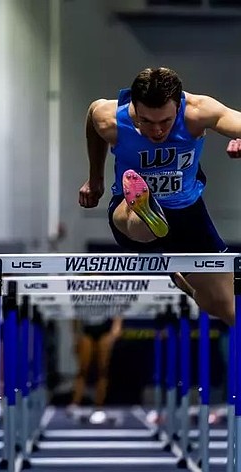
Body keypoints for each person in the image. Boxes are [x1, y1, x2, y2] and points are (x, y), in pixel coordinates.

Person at [80, 66, 239, 325]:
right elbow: (92, 117)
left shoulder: (198, 111)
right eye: (146, 121)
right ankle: (146, 208)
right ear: (134, 107)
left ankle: (181, 279)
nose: (156, 131)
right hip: (129, 207)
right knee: (139, 225)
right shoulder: (111, 118)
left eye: (165, 122)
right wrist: (95, 178)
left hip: (188, 215)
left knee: (226, 307)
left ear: (179, 106)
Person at [68, 314, 122, 423]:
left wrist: (115, 330)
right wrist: (75, 336)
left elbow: (118, 311)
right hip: (87, 330)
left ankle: (99, 406)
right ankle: (75, 403)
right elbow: (74, 313)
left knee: (102, 371)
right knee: (82, 370)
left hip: (105, 330)